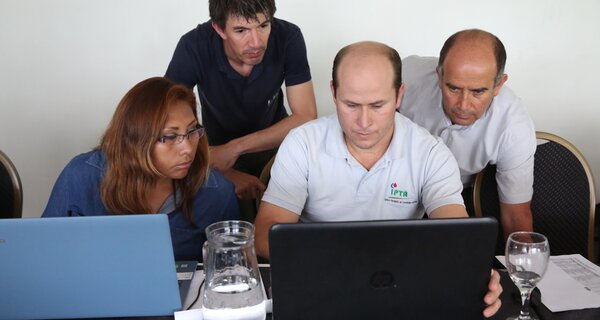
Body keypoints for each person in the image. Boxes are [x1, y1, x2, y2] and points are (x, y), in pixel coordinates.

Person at [254, 41, 501, 317]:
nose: (364, 122)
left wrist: (475, 269)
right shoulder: (302, 143)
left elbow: (458, 236)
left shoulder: (430, 152)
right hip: (318, 285)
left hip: (399, 289)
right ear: (333, 93)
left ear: (399, 96)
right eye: (351, 105)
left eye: (377, 105)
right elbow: (265, 237)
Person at [42, 77, 240, 261]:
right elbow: (44, 255)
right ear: (134, 140)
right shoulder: (80, 177)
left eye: (192, 131)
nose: (188, 149)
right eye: (170, 137)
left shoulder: (217, 193)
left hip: (182, 298)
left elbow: (231, 272)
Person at [165, 0, 317, 220]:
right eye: (241, 30)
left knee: (287, 221)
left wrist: (236, 148)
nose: (256, 42)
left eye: (263, 26)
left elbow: (306, 116)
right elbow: (167, 124)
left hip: (276, 143)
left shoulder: (288, 36)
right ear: (218, 29)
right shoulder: (194, 45)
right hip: (214, 150)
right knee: (228, 219)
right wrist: (222, 169)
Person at [399, 29, 536, 239]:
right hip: (396, 187)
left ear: (498, 85)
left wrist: (523, 268)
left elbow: (516, 215)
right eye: (453, 88)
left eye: (478, 92)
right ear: (439, 75)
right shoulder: (407, 75)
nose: (463, 105)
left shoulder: (514, 127)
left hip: (459, 199)